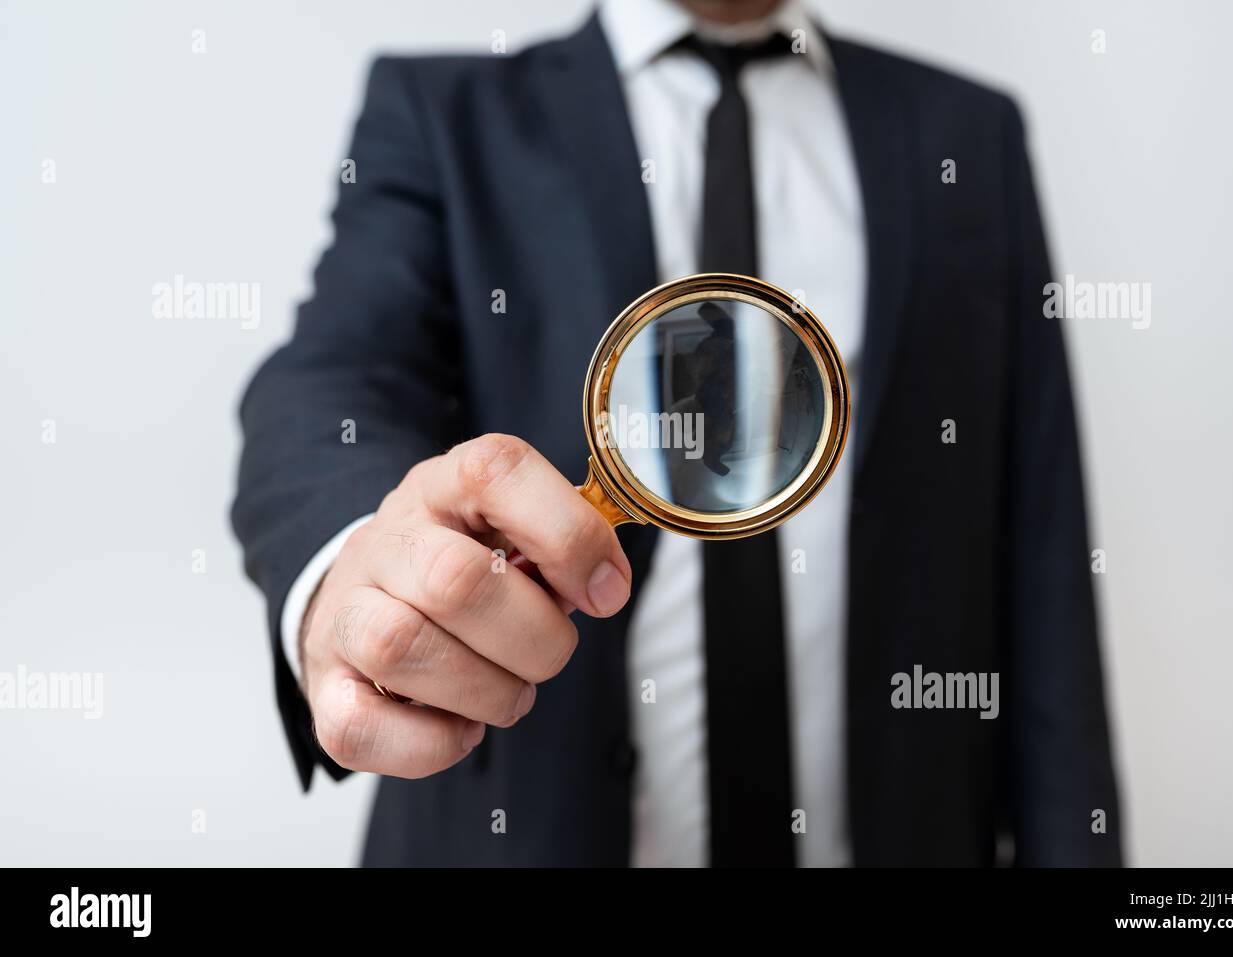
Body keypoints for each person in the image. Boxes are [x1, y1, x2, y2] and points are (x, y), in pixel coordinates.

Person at [232, 0, 1122, 866]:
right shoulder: (444, 113)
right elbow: (329, 379)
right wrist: (355, 561)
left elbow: (1041, 542)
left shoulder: (968, 132)